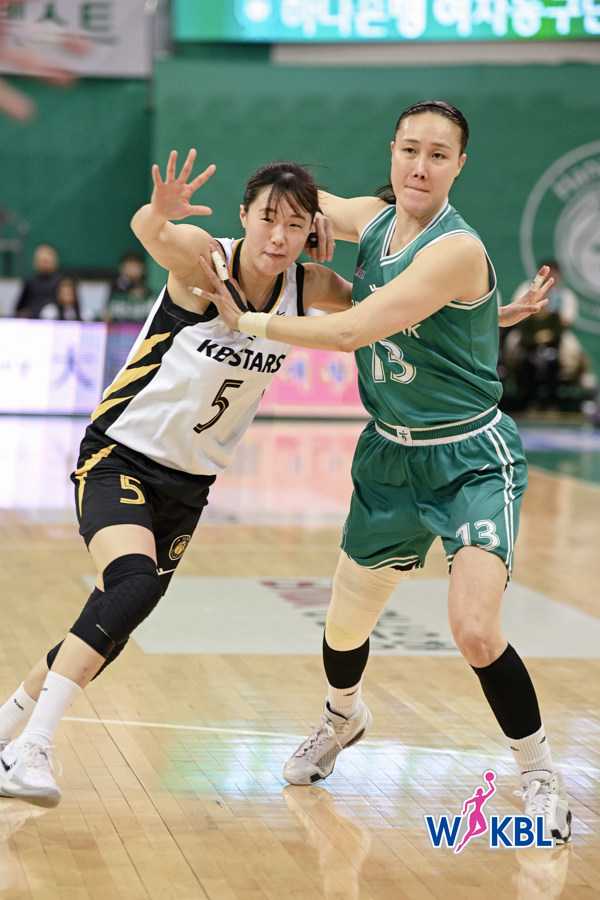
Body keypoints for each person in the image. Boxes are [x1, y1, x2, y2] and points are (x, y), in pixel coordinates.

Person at [203, 100, 571, 844]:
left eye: (438, 154)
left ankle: (538, 773)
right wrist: (260, 225)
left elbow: (353, 329)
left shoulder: (456, 249)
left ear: (459, 166)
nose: (420, 165)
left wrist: (246, 319)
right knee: (345, 625)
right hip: (388, 455)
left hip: (469, 457)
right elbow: (303, 204)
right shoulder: (372, 220)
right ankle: (343, 717)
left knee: (474, 630)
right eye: (410, 149)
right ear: (393, 152)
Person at [0, 150, 350, 808]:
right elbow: (152, 232)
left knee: (111, 623)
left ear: (312, 231)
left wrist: (480, 312)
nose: (278, 236)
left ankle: (4, 729)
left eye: (295, 224)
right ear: (243, 216)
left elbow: (381, 311)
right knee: (131, 585)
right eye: (267, 218)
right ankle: (31, 749)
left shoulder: (311, 287)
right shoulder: (205, 260)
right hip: (121, 455)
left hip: (190, 486)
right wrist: (157, 211)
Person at [14, 243, 62, 318]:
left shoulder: (61, 282)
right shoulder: (30, 282)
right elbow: (20, 307)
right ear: (36, 262)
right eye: (42, 261)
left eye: (47, 261)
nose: (45, 264)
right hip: (33, 320)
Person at [104, 251, 154, 323]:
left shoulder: (149, 293)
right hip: (120, 327)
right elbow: (106, 316)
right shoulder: (115, 290)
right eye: (128, 266)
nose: (131, 269)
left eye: (134, 265)